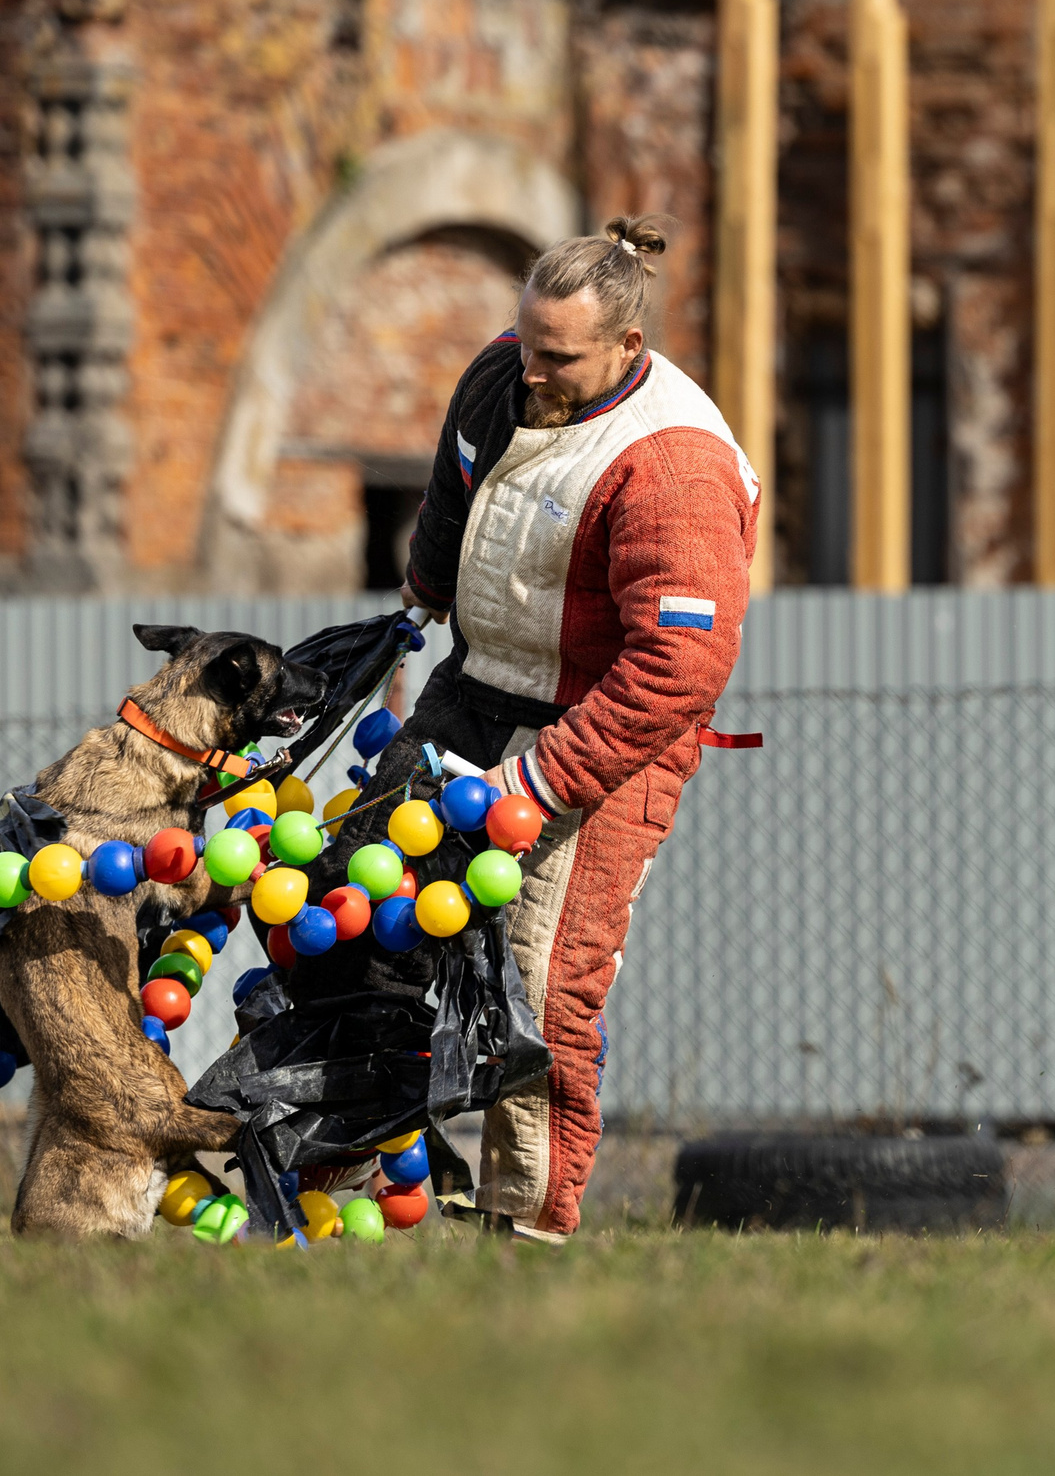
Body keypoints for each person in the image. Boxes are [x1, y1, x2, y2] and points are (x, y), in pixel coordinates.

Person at [310, 213, 759, 1243]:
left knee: (540, 979)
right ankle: (337, 1178)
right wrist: (418, 603)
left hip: (609, 726)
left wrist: (539, 782)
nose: (534, 373)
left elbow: (678, 669)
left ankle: (528, 1225)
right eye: (528, 343)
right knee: (353, 906)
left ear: (627, 347)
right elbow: (451, 489)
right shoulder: (500, 374)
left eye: (560, 359)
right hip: (478, 687)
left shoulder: (675, 467)